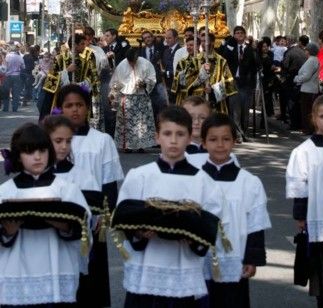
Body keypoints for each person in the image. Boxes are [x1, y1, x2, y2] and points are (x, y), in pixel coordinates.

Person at [114, 105, 228, 307]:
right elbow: (124, 217)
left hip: (183, 274)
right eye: (167, 133)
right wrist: (139, 233)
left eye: (180, 134)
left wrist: (193, 238)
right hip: (146, 272)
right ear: (157, 137)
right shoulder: (139, 176)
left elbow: (212, 226)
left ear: (189, 137)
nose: (173, 140)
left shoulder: (204, 182)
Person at [0, 123, 91, 307]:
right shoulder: (5, 192)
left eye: (42, 150)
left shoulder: (66, 189)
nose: (37, 157)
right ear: (18, 155)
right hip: (15, 271)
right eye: (29, 152)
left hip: (57, 268)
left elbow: (84, 231)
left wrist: (65, 227)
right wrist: (8, 232)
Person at [56, 83, 124, 308]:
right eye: (69, 106)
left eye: (79, 105)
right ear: (61, 109)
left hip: (93, 218)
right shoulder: (53, 141)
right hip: (60, 215)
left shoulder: (102, 140)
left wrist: (106, 214)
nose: (74, 110)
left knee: (92, 275)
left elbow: (108, 180)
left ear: (87, 108)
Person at [200, 113, 271, 308]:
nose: (220, 145)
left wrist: (252, 258)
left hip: (236, 258)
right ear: (204, 143)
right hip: (199, 260)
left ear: (234, 142)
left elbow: (256, 224)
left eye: (226, 139)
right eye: (213, 139)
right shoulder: (195, 180)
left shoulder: (249, 183)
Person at [286, 95, 323, 308]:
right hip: (319, 216)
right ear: (314, 118)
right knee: (322, 265)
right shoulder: (304, 151)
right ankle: (322, 300)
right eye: (322, 116)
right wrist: (300, 215)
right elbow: (299, 184)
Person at [40, 34, 99, 123]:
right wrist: (66, 71)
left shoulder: (87, 59)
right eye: (82, 44)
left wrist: (82, 85)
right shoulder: (59, 58)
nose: (85, 46)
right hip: (61, 98)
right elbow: (50, 80)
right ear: (75, 45)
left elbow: (92, 77)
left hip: (79, 96)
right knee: (59, 122)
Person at [110, 47, 156, 152]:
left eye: (134, 61)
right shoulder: (122, 65)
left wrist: (144, 83)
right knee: (127, 124)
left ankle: (141, 145)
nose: (132, 64)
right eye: (130, 62)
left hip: (141, 97)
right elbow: (116, 82)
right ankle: (127, 146)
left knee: (142, 123)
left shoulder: (146, 64)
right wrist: (114, 94)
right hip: (127, 98)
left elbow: (152, 78)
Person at [187, 32, 237, 114]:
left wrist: (213, 90)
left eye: (205, 41)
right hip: (198, 102)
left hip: (216, 104)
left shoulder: (221, 61)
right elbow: (187, 83)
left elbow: (230, 85)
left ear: (213, 42)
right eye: (202, 41)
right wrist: (199, 79)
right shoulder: (195, 60)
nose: (203, 44)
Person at [222, 26, 258, 141]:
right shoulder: (230, 47)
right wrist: (230, 44)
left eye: (241, 32)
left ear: (245, 34)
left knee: (245, 110)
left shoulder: (250, 49)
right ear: (234, 35)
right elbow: (224, 57)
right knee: (234, 109)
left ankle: (244, 132)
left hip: (246, 83)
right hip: (233, 82)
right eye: (237, 33)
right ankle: (237, 134)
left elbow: (257, 64)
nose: (239, 35)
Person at [139, 30, 168, 122]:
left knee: (162, 101)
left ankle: (163, 121)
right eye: (145, 38)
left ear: (152, 37)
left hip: (159, 79)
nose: (147, 39)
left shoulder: (161, 48)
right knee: (150, 103)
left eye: (149, 37)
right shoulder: (141, 51)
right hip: (147, 82)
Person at [294, 43, 320, 135]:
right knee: (310, 110)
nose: (305, 51)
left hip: (307, 89)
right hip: (312, 88)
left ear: (308, 51)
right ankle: (310, 128)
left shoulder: (311, 61)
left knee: (306, 111)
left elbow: (306, 76)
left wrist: (296, 78)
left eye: (306, 50)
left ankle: (307, 129)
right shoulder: (315, 60)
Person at [171, 35, 199, 105]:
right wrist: (180, 78)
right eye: (187, 45)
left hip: (198, 93)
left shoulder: (203, 60)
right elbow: (177, 78)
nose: (189, 47)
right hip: (184, 94)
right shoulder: (182, 62)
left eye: (191, 45)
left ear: (198, 46)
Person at [2, 44, 25, 112]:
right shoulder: (19, 57)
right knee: (16, 93)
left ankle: (5, 108)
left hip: (8, 76)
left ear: (10, 49)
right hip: (17, 76)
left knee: (6, 92)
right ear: (16, 50)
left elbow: (4, 66)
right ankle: (15, 108)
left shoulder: (7, 56)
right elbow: (23, 67)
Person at [162, 28, 181, 101]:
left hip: (176, 84)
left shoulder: (180, 50)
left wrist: (167, 73)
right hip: (167, 83)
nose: (167, 40)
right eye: (166, 38)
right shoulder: (166, 51)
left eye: (169, 38)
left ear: (176, 38)